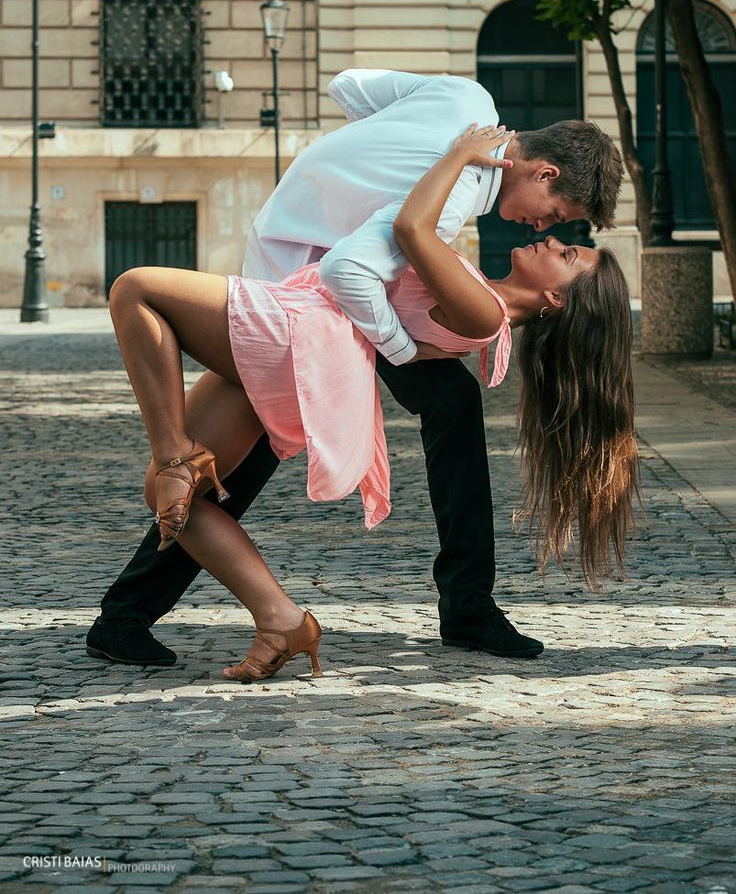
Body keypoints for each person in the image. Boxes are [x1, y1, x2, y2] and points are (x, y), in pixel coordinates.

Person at [87, 69, 625, 668]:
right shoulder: (459, 195)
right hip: (314, 298)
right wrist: (383, 188)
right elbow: (389, 242)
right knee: (234, 459)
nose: (547, 230)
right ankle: (190, 609)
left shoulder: (468, 102)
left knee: (445, 401)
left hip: (322, 302)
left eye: (563, 242)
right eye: (558, 215)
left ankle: (455, 605)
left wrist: (364, 177)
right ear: (544, 172)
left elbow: (350, 88)